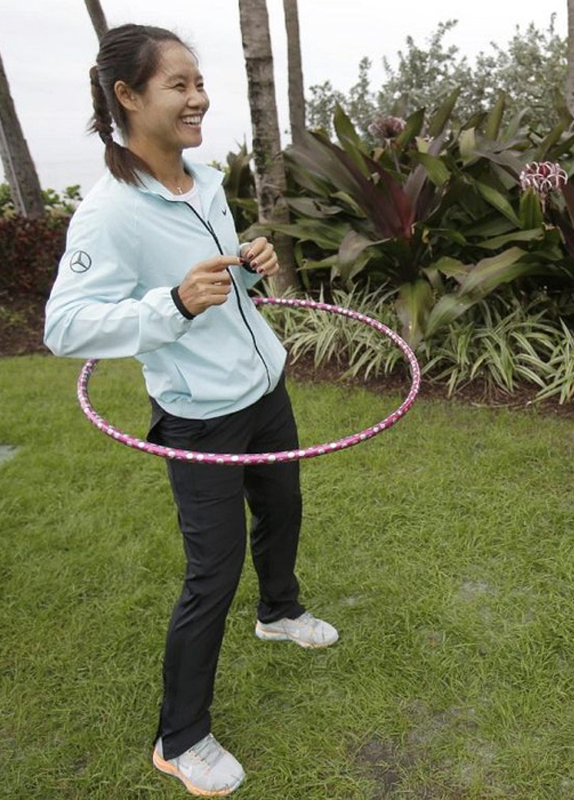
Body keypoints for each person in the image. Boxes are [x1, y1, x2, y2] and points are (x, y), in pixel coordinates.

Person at [44, 24, 338, 796]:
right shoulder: (109, 212)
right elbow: (63, 327)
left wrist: (253, 268)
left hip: (263, 385)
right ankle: (181, 738)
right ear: (128, 97)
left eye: (198, 81)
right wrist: (169, 304)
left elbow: (220, 285)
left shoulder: (202, 181)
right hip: (199, 415)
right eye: (178, 84)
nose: (199, 97)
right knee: (213, 571)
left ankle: (279, 612)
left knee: (284, 510)